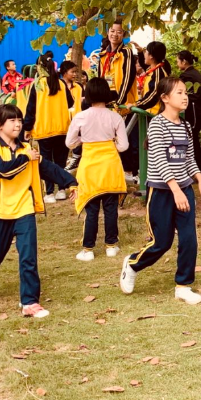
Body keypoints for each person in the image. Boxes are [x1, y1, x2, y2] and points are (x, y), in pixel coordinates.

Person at [0, 105, 77, 318]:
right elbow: (5, 170)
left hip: (24, 209)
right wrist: (26, 158)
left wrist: (70, 182)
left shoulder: (27, 149)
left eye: (19, 120)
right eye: (12, 120)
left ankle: (30, 302)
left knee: (28, 257)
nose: (18, 124)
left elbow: (47, 168)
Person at [120, 77, 201, 305]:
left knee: (189, 239)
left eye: (185, 92)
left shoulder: (186, 126)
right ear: (164, 98)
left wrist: (200, 180)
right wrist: (175, 190)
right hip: (162, 192)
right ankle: (132, 264)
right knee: (161, 242)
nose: (185, 97)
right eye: (179, 92)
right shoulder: (157, 125)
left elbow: (189, 159)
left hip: (184, 189)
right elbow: (160, 161)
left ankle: (183, 286)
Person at [66, 78, 128, 262]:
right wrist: (109, 145)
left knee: (91, 208)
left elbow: (69, 143)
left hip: (89, 166)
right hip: (111, 166)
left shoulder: (80, 116)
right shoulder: (115, 117)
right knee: (111, 208)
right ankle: (111, 246)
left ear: (88, 94)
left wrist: (83, 140)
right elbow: (123, 146)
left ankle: (88, 249)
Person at [23, 53, 74, 204]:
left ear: (39, 68)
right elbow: (70, 102)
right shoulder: (62, 83)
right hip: (62, 128)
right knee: (60, 160)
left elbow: (31, 109)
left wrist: (27, 128)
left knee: (45, 162)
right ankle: (62, 190)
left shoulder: (37, 85)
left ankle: (50, 192)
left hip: (44, 129)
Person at [123, 41, 170, 184]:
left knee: (148, 147)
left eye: (146, 52)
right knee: (141, 144)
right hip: (148, 114)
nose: (144, 55)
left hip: (154, 115)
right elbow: (145, 66)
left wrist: (136, 105)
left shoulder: (159, 73)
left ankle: (148, 176)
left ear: (152, 56)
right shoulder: (154, 69)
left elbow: (153, 95)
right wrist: (139, 50)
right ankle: (142, 175)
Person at [177, 50, 201, 182]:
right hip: (196, 109)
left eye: (178, 61)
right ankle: (198, 173)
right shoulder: (193, 73)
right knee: (192, 139)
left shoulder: (187, 76)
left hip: (194, 109)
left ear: (184, 62)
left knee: (192, 139)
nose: (177, 64)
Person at [99, 21, 137, 109]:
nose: (115, 34)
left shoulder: (126, 52)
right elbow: (100, 78)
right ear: (108, 32)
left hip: (123, 102)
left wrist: (119, 101)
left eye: (119, 32)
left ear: (123, 34)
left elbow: (128, 77)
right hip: (107, 100)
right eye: (112, 31)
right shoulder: (103, 54)